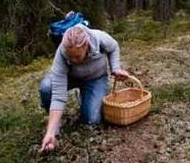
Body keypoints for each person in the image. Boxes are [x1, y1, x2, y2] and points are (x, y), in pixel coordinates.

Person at [39, 23, 129, 152]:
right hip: (71, 78)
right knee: (47, 88)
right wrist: (50, 133)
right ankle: (55, 122)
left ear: (86, 46)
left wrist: (115, 68)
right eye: (71, 57)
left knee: (91, 119)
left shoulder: (99, 38)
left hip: (96, 78)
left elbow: (114, 47)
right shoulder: (62, 53)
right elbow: (58, 97)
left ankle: (86, 98)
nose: (74, 60)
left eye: (77, 56)